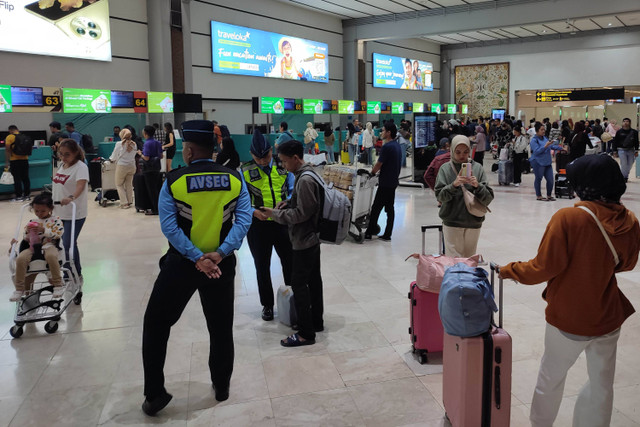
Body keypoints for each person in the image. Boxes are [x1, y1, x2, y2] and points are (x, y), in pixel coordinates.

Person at [498, 154, 640, 427]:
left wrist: (508, 270)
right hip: (608, 316)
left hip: (570, 317)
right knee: (602, 384)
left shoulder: (569, 218)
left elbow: (543, 267)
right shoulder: (630, 221)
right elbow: (626, 264)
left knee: (551, 378)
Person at [141, 120, 252, 415]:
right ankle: (222, 385)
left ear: (188, 150)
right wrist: (219, 253)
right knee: (220, 326)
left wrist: (196, 258)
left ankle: (154, 394)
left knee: (156, 323)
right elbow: (243, 220)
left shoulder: (175, 180)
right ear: (213, 149)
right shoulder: (234, 179)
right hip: (221, 265)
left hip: (181, 266)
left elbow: (169, 227)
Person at [254, 140, 323, 347]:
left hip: (304, 240)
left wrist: (275, 214)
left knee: (299, 285)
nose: (282, 166)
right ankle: (316, 322)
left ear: (295, 158)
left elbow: (302, 214)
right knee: (314, 281)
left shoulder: (304, 180)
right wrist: (288, 203)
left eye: (284, 161)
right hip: (312, 238)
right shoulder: (308, 174)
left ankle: (305, 333)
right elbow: (304, 206)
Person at [241, 130, 294, 321]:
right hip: (258, 226)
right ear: (251, 154)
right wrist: (253, 212)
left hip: (281, 223)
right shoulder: (245, 170)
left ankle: (292, 300)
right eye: (258, 157)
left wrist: (287, 202)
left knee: (289, 263)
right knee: (261, 266)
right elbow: (241, 200)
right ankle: (267, 305)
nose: (263, 161)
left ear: (272, 151)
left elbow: (292, 190)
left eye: (266, 156)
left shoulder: (283, 166)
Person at [434, 135, 494, 257]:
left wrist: (477, 186)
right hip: (452, 222)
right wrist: (454, 185)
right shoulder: (445, 169)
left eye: (466, 152)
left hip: (473, 222)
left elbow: (488, 198)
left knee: (470, 261)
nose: (462, 155)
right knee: (454, 263)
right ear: (451, 151)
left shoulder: (477, 168)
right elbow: (440, 196)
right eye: (458, 152)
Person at [10, 193, 64, 301]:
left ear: (50, 208)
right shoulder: (32, 222)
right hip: (32, 246)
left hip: (49, 245)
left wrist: (44, 230)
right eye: (36, 211)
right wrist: (27, 235)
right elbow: (25, 236)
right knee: (20, 259)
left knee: (52, 257)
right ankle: (19, 289)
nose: (39, 214)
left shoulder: (56, 220)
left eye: (43, 211)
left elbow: (58, 234)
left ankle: (58, 284)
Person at [53, 139, 89, 278]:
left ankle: (72, 273)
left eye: (67, 154)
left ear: (75, 153)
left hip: (75, 212)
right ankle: (73, 270)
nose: (63, 157)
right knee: (65, 244)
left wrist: (71, 197)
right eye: (61, 154)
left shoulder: (81, 167)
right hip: (59, 212)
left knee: (68, 244)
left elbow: (80, 186)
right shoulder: (62, 165)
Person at [364, 122, 402, 241]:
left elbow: (379, 164)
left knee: (376, 208)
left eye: (384, 130)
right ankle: (387, 234)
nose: (382, 133)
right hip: (393, 181)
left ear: (389, 132)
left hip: (385, 183)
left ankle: (369, 232)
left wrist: (372, 173)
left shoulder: (387, 147)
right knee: (389, 209)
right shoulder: (397, 146)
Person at [529, 122, 564, 201]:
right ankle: (539, 195)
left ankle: (549, 195)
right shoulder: (534, 140)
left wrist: (561, 148)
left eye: (544, 129)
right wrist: (545, 146)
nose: (543, 131)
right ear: (537, 131)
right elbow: (537, 151)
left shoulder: (545, 138)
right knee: (538, 178)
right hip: (538, 162)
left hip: (547, 162)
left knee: (550, 180)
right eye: (541, 130)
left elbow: (551, 146)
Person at [137, 125, 164, 215]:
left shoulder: (147, 143)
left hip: (149, 169)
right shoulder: (157, 142)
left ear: (145, 133)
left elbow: (147, 158)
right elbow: (161, 156)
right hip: (157, 168)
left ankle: (155, 209)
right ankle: (158, 207)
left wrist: (140, 154)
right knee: (156, 188)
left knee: (151, 190)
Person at [109, 128, 138, 209]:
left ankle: (124, 203)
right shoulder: (134, 144)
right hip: (132, 166)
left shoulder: (119, 144)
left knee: (119, 184)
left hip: (122, 166)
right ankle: (129, 201)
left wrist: (111, 159)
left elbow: (114, 155)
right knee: (129, 184)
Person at [5, 125, 31, 202]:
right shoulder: (24, 137)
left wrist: (7, 161)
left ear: (10, 130)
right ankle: (27, 195)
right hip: (25, 160)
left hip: (14, 160)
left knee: (17, 178)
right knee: (25, 178)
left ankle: (19, 197)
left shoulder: (9, 137)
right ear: (17, 129)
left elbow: (7, 150)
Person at [612, 117, 639, 182]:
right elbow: (615, 141)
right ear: (622, 123)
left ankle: (625, 175)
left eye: (627, 121)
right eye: (624, 121)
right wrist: (614, 151)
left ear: (630, 123)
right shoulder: (619, 132)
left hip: (631, 150)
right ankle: (624, 177)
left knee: (630, 164)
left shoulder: (634, 132)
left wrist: (636, 150)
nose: (625, 123)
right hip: (621, 150)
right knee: (624, 164)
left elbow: (636, 141)